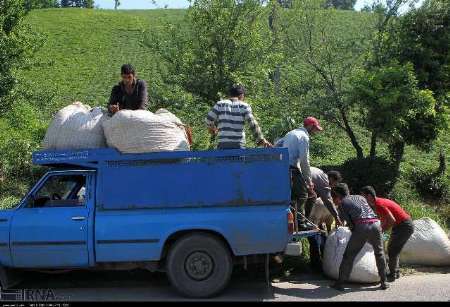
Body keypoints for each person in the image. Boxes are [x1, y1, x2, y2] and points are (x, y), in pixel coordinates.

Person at [330, 183, 389, 291]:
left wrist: (355, 234)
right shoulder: (360, 197)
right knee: (379, 253)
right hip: (376, 223)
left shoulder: (343, 203)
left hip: (362, 226)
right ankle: (384, 281)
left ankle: (340, 283)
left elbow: (349, 223)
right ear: (348, 190)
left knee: (349, 256)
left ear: (338, 194)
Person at [276, 117, 324, 230]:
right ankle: (301, 223)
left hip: (282, 168)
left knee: (292, 197)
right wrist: (309, 180)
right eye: (315, 129)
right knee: (303, 195)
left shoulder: (291, 133)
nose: (315, 132)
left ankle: (292, 221)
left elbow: (277, 144)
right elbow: (304, 160)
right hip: (292, 168)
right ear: (311, 126)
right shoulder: (304, 137)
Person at [360, 186, 414, 282]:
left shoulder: (379, 204)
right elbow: (385, 219)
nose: (362, 199)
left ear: (369, 196)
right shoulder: (377, 203)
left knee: (392, 249)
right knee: (393, 249)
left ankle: (393, 274)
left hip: (404, 226)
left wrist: (381, 231)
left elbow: (391, 220)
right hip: (401, 225)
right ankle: (395, 272)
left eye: (363, 196)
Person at [205, 84, 272, 150]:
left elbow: (208, 119)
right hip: (238, 145)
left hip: (223, 144)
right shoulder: (244, 106)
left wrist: (213, 129)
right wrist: (261, 140)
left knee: (223, 161)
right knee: (238, 160)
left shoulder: (220, 104)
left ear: (230, 95)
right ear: (241, 95)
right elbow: (253, 124)